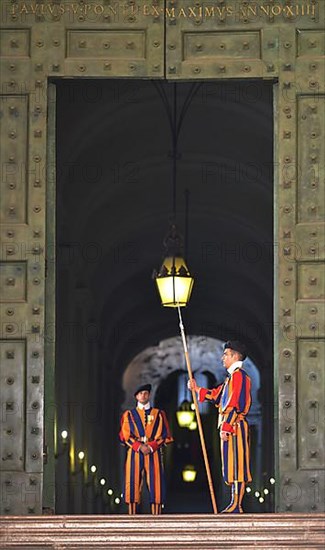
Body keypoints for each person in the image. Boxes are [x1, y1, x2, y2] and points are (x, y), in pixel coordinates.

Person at [188, 340, 252, 513]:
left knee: (237, 465)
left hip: (235, 426)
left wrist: (227, 426)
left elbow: (235, 403)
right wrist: (197, 389)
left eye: (225, 355)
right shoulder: (230, 379)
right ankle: (234, 501)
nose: (222, 358)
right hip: (230, 427)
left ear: (234, 355)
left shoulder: (239, 376)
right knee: (230, 465)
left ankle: (236, 504)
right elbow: (217, 396)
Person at [119, 383, 173, 515]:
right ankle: (132, 515)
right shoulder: (129, 415)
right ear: (136, 396)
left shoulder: (159, 414)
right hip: (135, 452)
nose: (143, 395)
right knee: (132, 481)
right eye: (140, 393)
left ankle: (156, 515)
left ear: (149, 395)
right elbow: (125, 435)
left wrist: (150, 446)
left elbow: (164, 435)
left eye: (145, 393)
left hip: (153, 451)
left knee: (156, 482)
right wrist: (139, 446)